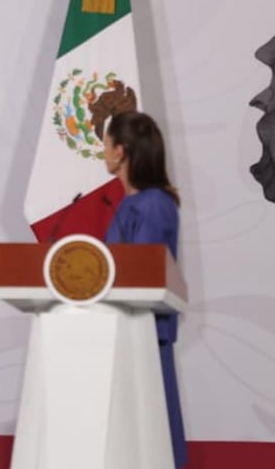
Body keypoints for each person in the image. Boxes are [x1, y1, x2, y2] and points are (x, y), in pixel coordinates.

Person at [103, 110, 187, 469]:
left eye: (105, 145)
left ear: (120, 151)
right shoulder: (131, 203)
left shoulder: (153, 205)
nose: (103, 152)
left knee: (150, 437)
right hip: (126, 331)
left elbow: (142, 274)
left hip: (145, 334)